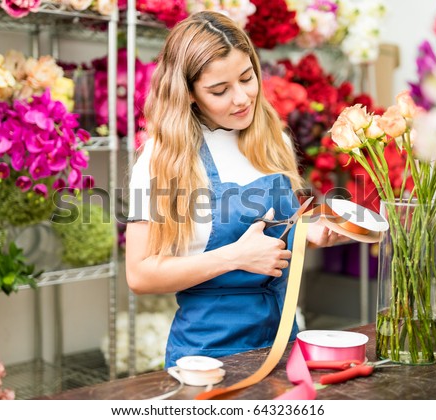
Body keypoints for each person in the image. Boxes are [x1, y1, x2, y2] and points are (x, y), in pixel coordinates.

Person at [126, 10, 345, 368]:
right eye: (219, 90)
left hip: (283, 344)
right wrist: (234, 257)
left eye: (247, 78)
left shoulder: (272, 140)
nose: (242, 98)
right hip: (206, 357)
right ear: (190, 94)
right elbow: (140, 274)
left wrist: (310, 233)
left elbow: (273, 235)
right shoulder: (161, 159)